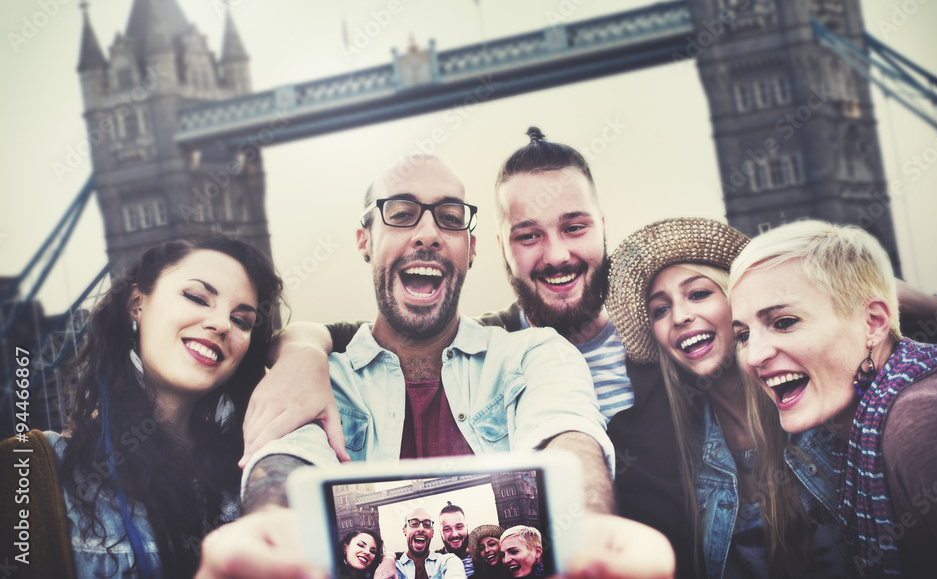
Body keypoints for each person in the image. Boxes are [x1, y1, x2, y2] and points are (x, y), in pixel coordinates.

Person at [195, 155, 675, 579]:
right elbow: (289, 457)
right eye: (401, 214)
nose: (427, 234)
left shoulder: (535, 352)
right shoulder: (324, 375)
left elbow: (568, 434)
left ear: (471, 249)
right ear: (365, 240)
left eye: (449, 218)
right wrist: (272, 525)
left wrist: (588, 525)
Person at [728, 220, 937, 578]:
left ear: (873, 323)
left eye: (784, 321)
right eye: (744, 334)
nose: (753, 356)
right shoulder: (860, 428)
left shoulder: (929, 424)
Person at [605, 218, 849, 578]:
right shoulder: (685, 451)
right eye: (661, 309)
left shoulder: (819, 401)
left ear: (737, 302)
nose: (681, 316)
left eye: (699, 294)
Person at [45, 236, 282, 578]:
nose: (221, 324)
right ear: (137, 303)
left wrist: (304, 348)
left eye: (242, 321)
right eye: (197, 298)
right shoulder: (41, 472)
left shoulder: (253, 473)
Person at [397, 508, 465, 579]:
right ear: (404, 530)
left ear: (432, 532)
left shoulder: (449, 561)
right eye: (414, 524)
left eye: (427, 525)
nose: (421, 529)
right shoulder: (394, 566)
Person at [438, 502, 474, 576]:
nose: (454, 534)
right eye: (447, 529)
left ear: (466, 527)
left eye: (459, 527)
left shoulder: (483, 559)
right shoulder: (432, 564)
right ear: (441, 532)